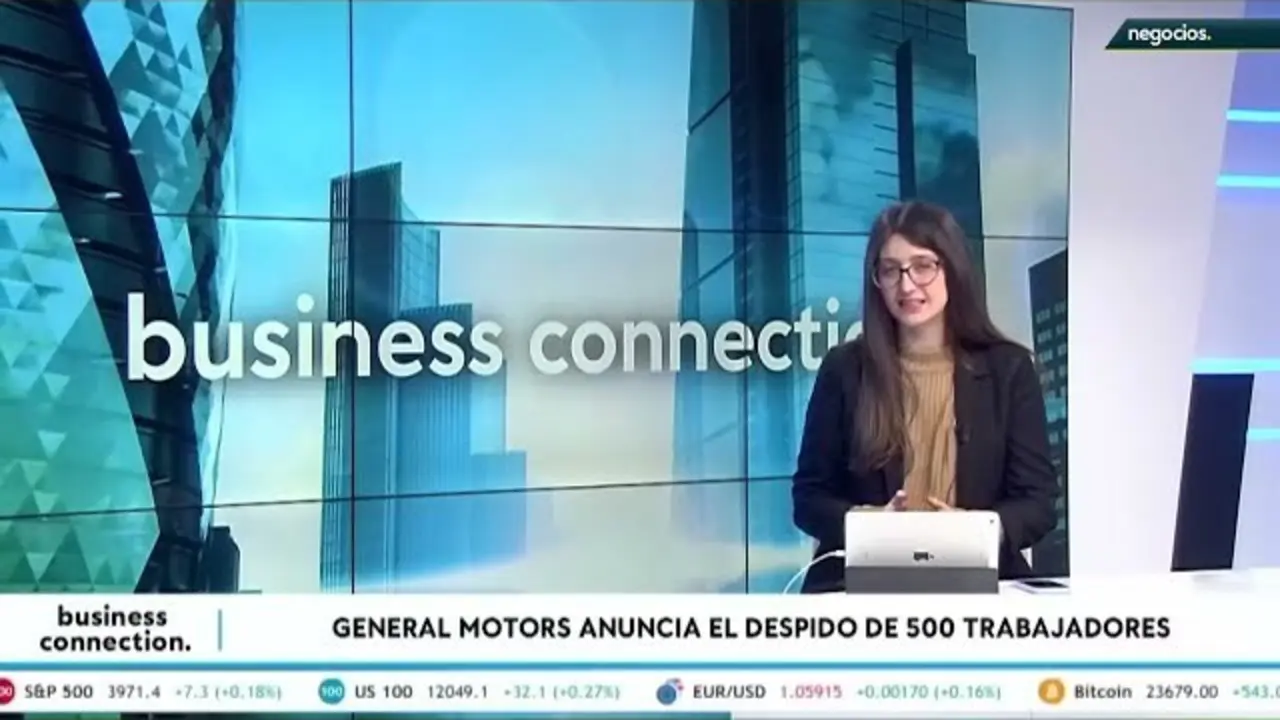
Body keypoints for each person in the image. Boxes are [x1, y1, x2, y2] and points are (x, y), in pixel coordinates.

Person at [792, 201, 1058, 593]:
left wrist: (975, 531)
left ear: (952, 268)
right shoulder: (844, 369)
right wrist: (866, 524)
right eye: (890, 270)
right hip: (861, 586)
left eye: (923, 266)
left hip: (979, 583)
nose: (906, 285)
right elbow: (809, 499)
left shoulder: (1010, 369)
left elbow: (1038, 503)